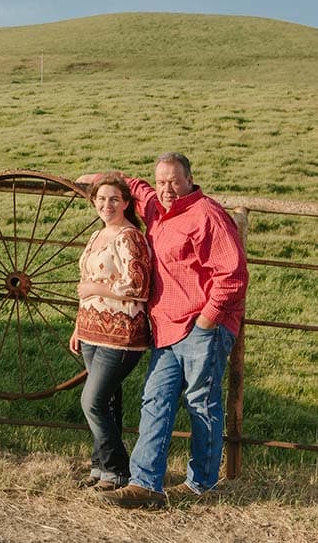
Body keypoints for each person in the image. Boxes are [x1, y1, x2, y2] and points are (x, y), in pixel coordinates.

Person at [83, 153, 248, 508]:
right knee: (155, 400)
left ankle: (201, 485)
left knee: (201, 403)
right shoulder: (156, 206)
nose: (167, 188)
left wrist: (207, 320)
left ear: (190, 179)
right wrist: (98, 176)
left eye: (174, 181)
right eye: (161, 182)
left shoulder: (208, 216)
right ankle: (145, 484)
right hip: (167, 327)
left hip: (204, 326)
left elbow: (232, 276)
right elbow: (135, 188)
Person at [68, 174, 151, 491]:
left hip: (122, 332)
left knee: (92, 401)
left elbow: (139, 286)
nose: (106, 204)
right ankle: (102, 469)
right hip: (91, 331)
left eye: (114, 199)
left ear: (126, 203)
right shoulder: (97, 236)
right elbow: (85, 289)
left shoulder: (130, 237)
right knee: (109, 403)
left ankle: (118, 468)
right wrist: (78, 326)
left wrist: (94, 286)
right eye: (101, 199)